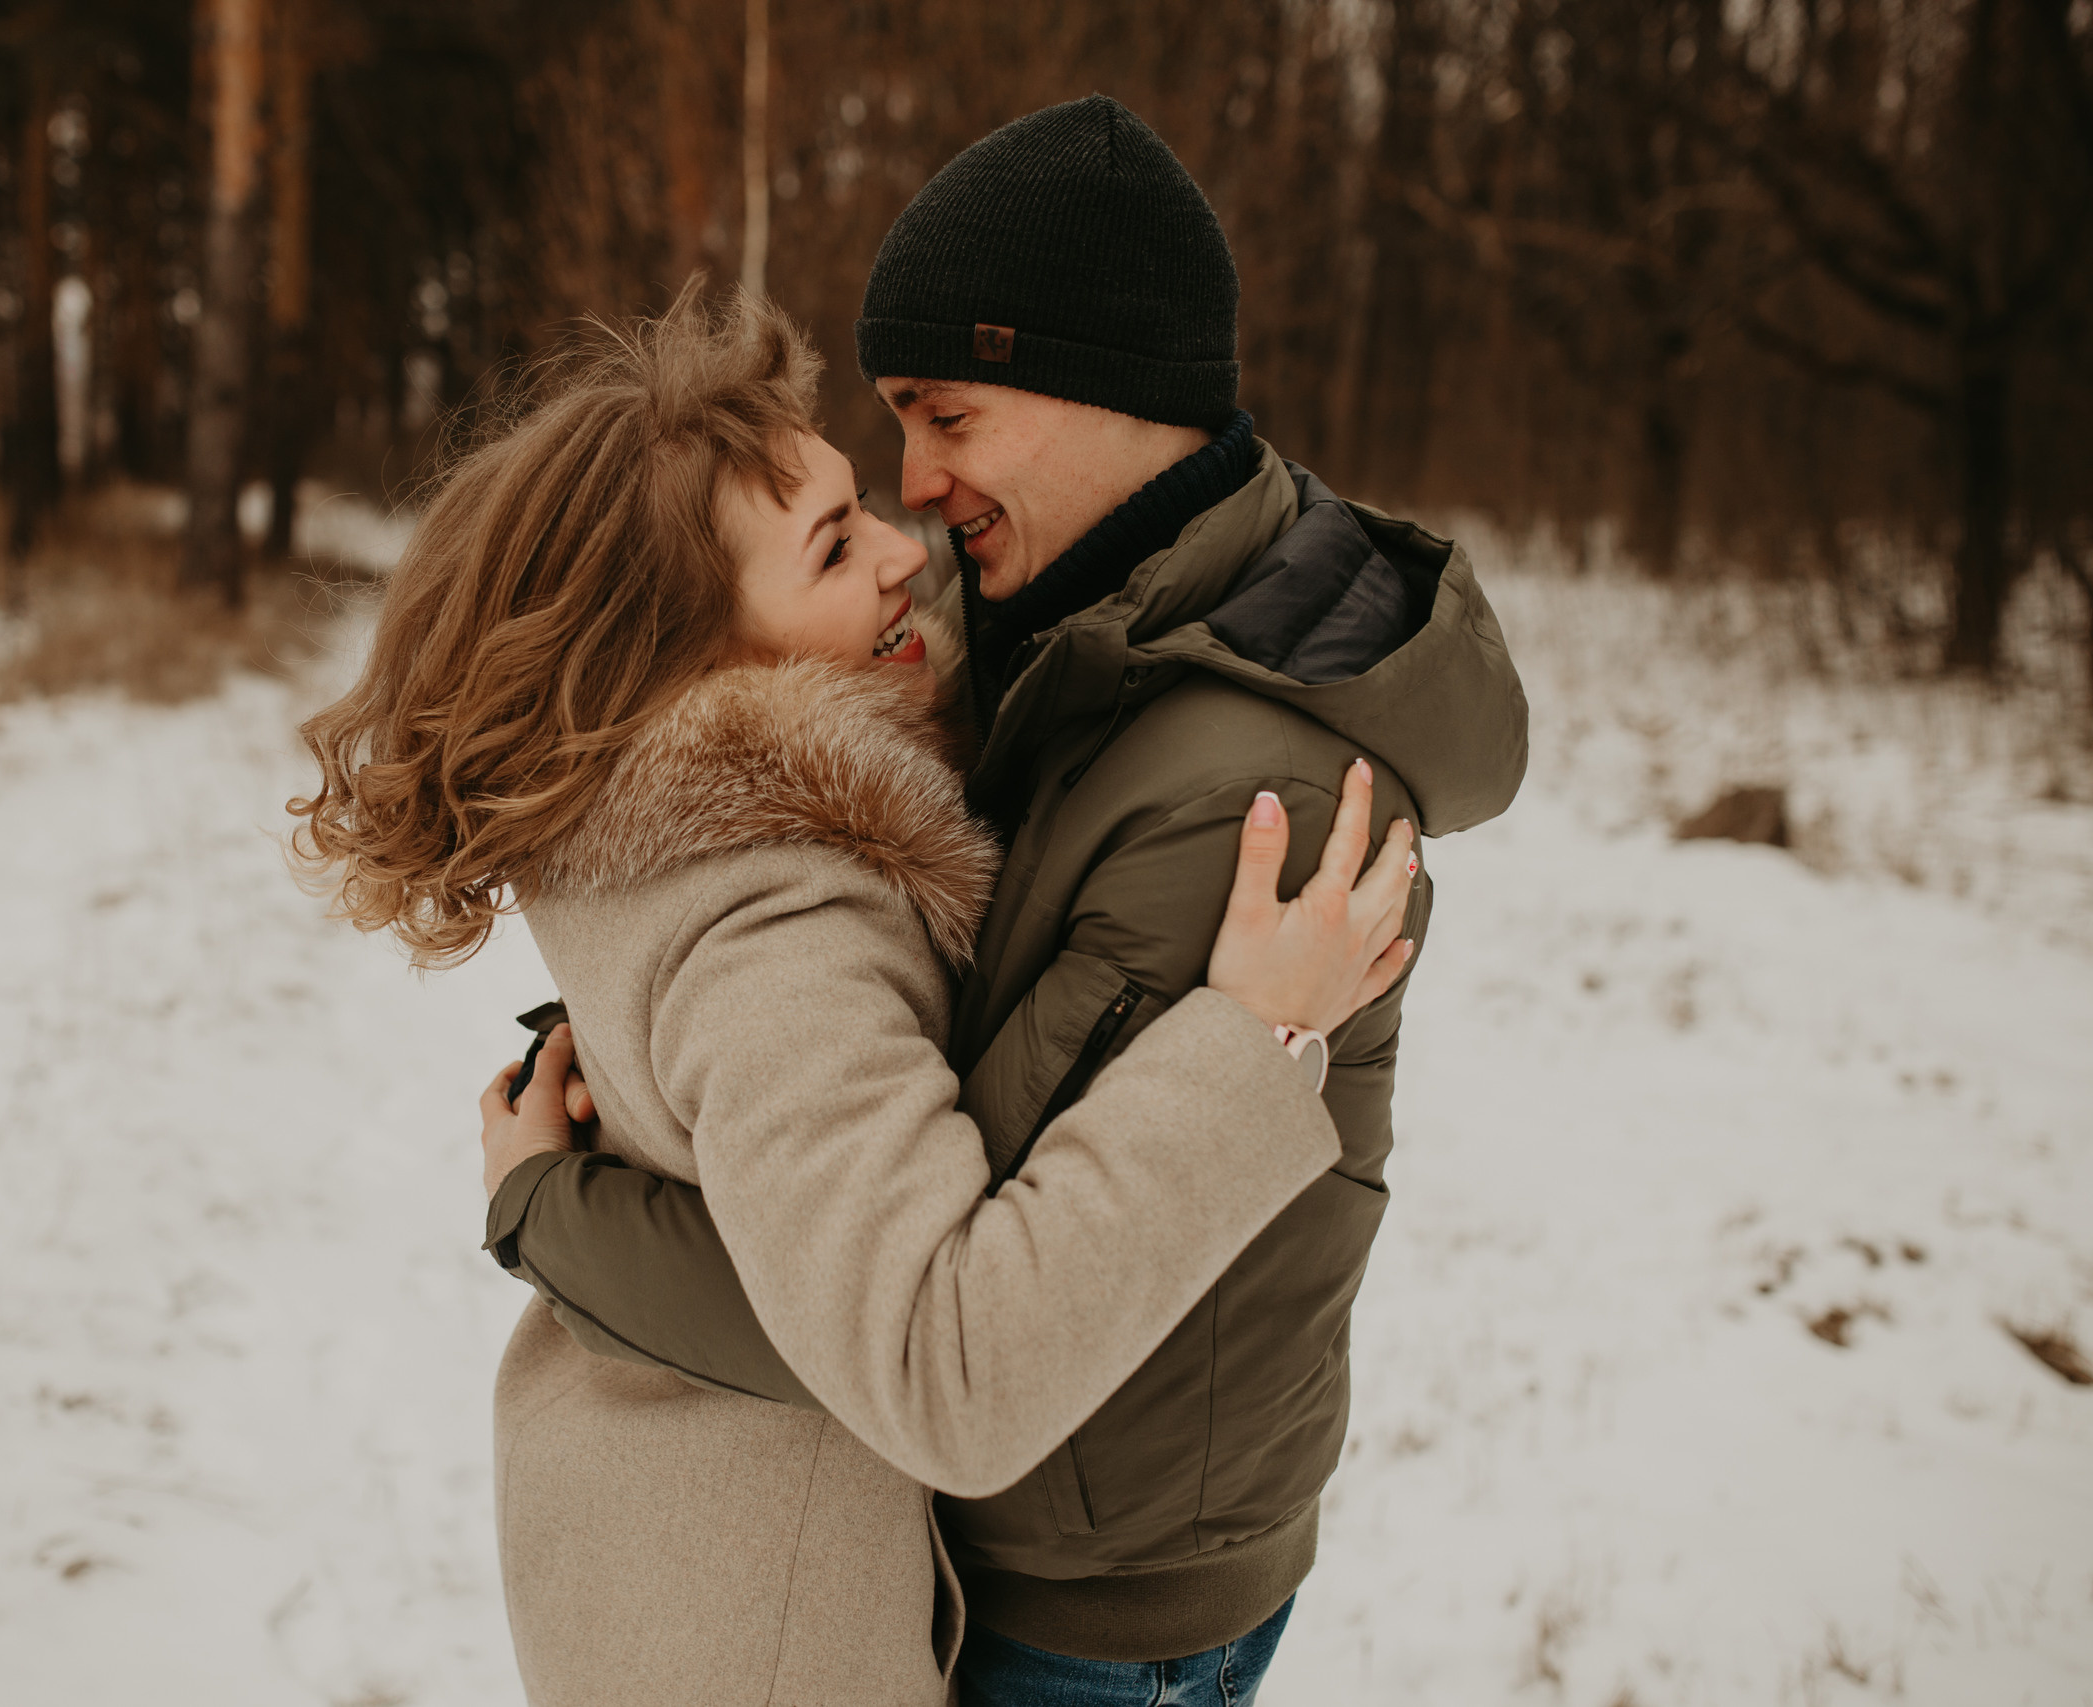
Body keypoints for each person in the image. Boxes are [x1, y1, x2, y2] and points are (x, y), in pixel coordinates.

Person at [474, 95, 1531, 1704]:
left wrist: (564, 1214)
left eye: (945, 416)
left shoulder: (1242, 794)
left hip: (1089, 1606)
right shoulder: (1067, 646)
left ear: (1102, 385)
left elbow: (931, 1327)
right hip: (1015, 1545)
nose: (916, 494)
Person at [294, 283, 1431, 1704]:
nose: (906, 551)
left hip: (672, 1565)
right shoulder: (775, 929)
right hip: (753, 1645)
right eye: (836, 547)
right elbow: (947, 1369)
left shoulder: (668, 815)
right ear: (688, 659)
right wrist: (1257, 1037)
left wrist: (559, 1210)